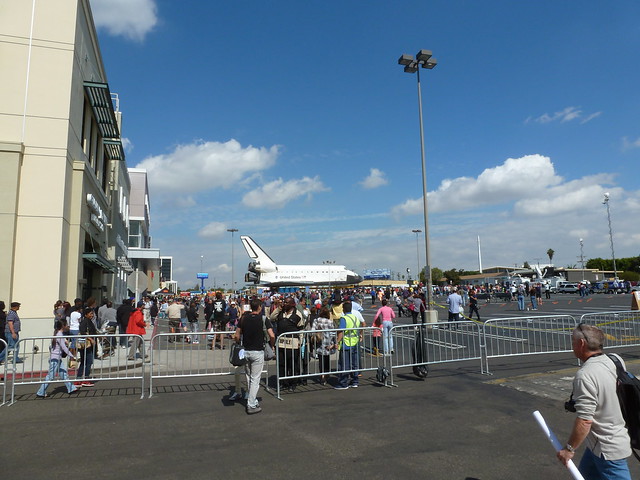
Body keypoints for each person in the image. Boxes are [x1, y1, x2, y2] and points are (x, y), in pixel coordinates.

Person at [557, 324, 632, 479]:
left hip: (608, 448)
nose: (572, 345)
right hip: (599, 444)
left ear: (582, 344)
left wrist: (569, 449)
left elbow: (585, 420)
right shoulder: (615, 360)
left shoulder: (585, 375)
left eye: (573, 341)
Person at [233, 298, 275, 415]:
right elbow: (272, 335)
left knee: (249, 375)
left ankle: (250, 397)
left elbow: (236, 335)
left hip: (246, 351)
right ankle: (251, 403)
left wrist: (237, 342)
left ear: (251, 307)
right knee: (255, 378)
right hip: (258, 351)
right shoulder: (263, 319)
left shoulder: (243, 318)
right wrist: (272, 345)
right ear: (260, 307)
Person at [36, 320, 79, 397]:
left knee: (63, 373)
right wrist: (71, 355)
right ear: (63, 326)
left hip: (57, 358)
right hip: (55, 359)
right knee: (50, 376)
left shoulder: (57, 334)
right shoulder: (59, 335)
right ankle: (41, 392)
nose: (68, 326)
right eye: (66, 325)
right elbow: (64, 347)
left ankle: (71, 388)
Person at [272, 296, 304, 391]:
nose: (284, 304)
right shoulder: (280, 313)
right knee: (281, 364)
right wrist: (278, 308)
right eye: (284, 302)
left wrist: (300, 342)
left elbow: (301, 329)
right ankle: (283, 383)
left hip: (293, 344)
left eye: (286, 302)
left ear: (292, 304)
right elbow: (271, 318)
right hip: (281, 343)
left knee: (292, 364)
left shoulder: (298, 314)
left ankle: (292, 383)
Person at [334, 301, 361, 390]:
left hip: (346, 342)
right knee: (354, 363)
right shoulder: (355, 317)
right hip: (355, 341)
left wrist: (337, 342)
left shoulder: (344, 318)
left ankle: (343, 383)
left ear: (344, 309)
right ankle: (355, 381)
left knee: (344, 363)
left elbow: (341, 332)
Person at [312, 306, 335, 385]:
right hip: (328, 343)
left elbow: (312, 331)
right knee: (327, 360)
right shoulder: (330, 322)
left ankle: (322, 375)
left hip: (319, 343)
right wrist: (333, 343)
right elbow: (333, 333)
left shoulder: (316, 320)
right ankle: (326, 374)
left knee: (321, 360)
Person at [76, 307, 98, 387]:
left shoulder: (89, 322)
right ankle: (85, 378)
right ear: (86, 314)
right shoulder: (84, 322)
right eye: (90, 313)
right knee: (88, 361)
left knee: (84, 362)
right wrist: (90, 339)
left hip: (89, 346)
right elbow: (83, 332)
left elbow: (93, 331)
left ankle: (79, 379)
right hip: (86, 346)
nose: (92, 315)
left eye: (92, 313)